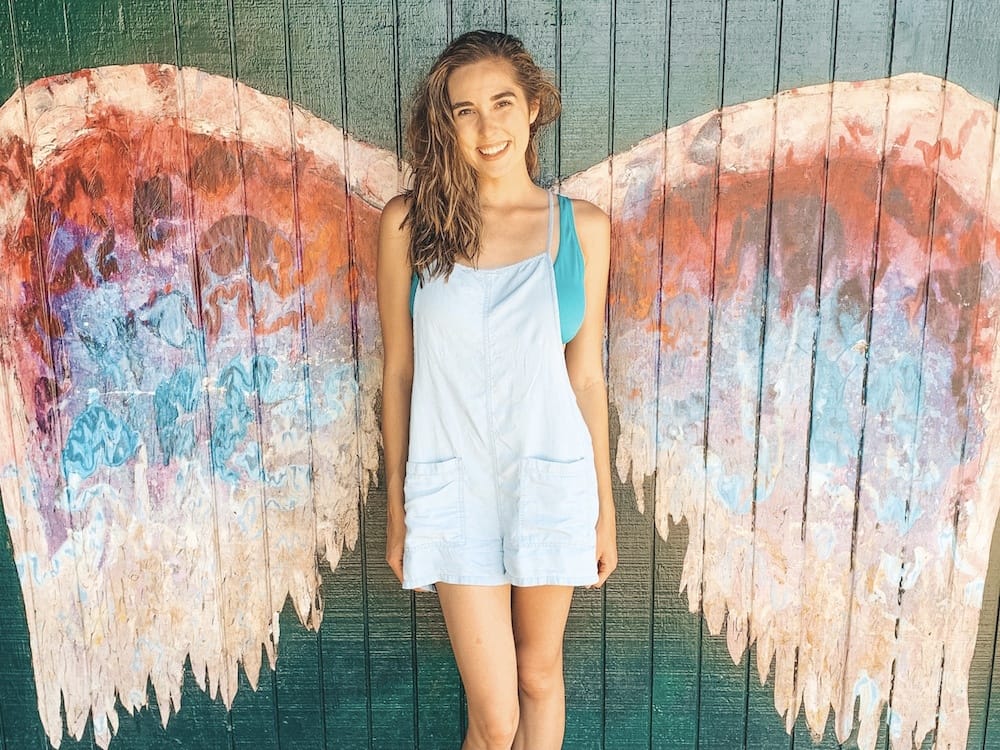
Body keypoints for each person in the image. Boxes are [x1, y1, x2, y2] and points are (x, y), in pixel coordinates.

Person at [376, 29, 617, 750]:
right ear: (444, 125)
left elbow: (586, 377)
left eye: (502, 103)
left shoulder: (582, 229)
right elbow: (398, 372)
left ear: (535, 106)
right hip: (452, 491)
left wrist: (602, 509)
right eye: (464, 111)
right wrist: (397, 507)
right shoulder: (408, 225)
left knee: (540, 678)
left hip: (551, 482)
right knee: (495, 717)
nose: (487, 128)